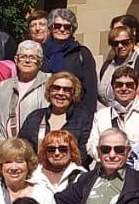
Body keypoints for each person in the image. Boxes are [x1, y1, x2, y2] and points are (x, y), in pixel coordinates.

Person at [41, 9, 98, 152]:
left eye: (67, 27)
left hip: (73, 116)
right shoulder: (40, 52)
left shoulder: (81, 53)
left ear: (73, 30)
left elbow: (90, 90)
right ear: (50, 27)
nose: (62, 29)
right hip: (44, 115)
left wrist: (86, 120)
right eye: (57, 25)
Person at [0, 40, 49, 145]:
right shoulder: (4, 86)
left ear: (41, 62)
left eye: (32, 57)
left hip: (37, 148)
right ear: (16, 59)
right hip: (6, 149)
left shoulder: (49, 84)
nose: (27, 61)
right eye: (23, 56)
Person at [92, 65, 139, 150]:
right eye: (119, 84)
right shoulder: (101, 116)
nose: (124, 88)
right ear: (113, 87)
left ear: (136, 87)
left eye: (129, 85)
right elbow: (93, 145)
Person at [19, 72, 84, 154]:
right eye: (56, 88)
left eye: (67, 90)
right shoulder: (34, 117)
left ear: (74, 94)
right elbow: (22, 147)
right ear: (49, 91)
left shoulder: (83, 119)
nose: (60, 93)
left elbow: (83, 153)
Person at [96, 24, 139, 104]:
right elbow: (98, 96)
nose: (120, 46)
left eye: (124, 42)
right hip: (108, 113)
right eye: (115, 43)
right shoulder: (106, 66)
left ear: (132, 43)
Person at [31, 130, 86, 196]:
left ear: (71, 151)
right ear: (45, 152)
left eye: (63, 149)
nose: (56, 153)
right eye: (51, 149)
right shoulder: (33, 174)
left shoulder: (80, 175)